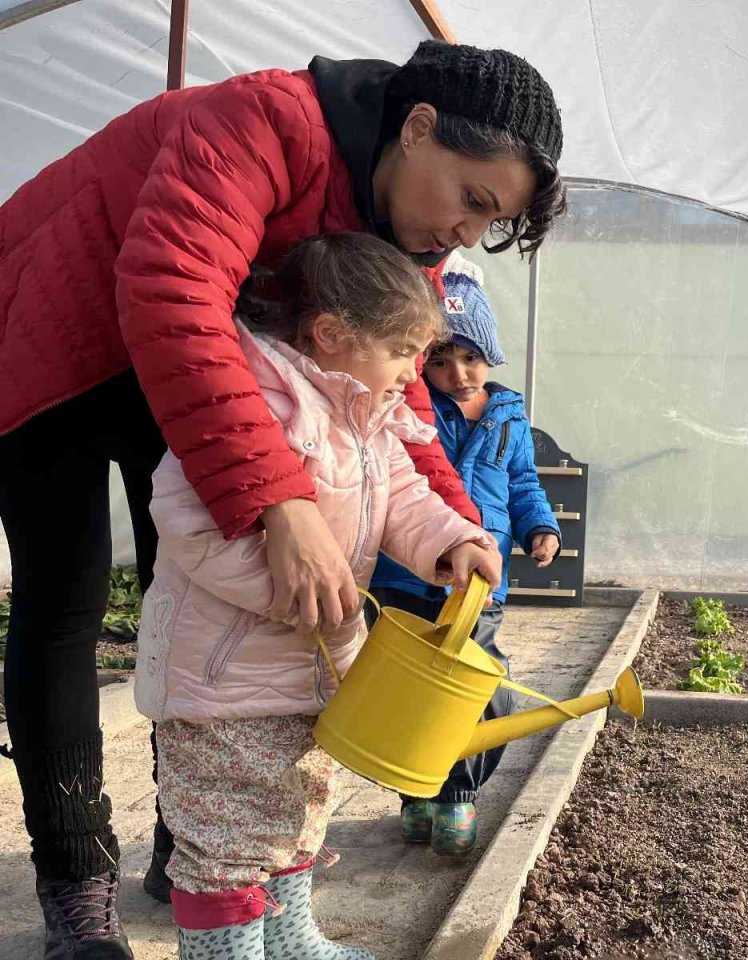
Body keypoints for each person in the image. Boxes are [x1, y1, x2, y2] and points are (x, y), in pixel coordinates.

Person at [0, 37, 564, 957]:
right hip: (49, 342)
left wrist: (457, 526)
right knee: (63, 609)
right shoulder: (263, 120)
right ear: (418, 129)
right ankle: (76, 884)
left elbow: (396, 401)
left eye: (490, 224)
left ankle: (191, 850)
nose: (469, 236)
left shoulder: (391, 230)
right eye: (473, 200)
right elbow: (173, 289)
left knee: (180, 590)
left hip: (184, 373)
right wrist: (282, 500)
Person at [134, 233, 502, 960]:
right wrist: (296, 592)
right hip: (224, 678)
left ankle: (291, 938)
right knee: (226, 834)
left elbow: (403, 497)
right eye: (404, 351)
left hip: (314, 669)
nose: (415, 371)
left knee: (296, 810)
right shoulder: (256, 407)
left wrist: (451, 540)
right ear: (333, 336)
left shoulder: (368, 420)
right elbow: (186, 523)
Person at [369, 260, 560, 856]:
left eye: (469, 358)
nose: (456, 373)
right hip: (406, 572)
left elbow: (524, 481)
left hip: (480, 580)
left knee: (483, 686)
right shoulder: (412, 409)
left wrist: (540, 527)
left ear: (491, 353)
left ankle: (456, 792)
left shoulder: (509, 413)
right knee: (406, 691)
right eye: (440, 360)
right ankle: (421, 796)